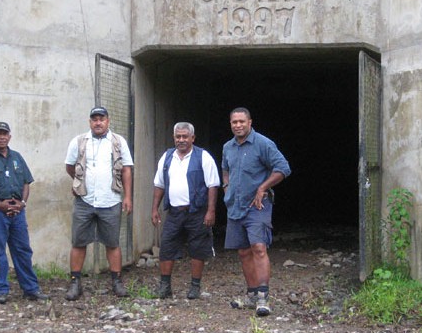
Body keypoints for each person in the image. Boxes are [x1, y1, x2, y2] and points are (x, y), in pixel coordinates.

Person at [222, 108, 291, 317]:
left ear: (250, 122)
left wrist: (262, 187)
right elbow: (225, 169)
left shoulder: (263, 143)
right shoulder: (228, 147)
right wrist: (226, 188)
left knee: (259, 247)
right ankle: (251, 295)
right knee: (243, 251)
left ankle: (263, 297)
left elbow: (283, 168)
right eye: (234, 122)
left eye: (242, 121)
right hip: (235, 205)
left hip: (257, 205)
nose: (238, 125)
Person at [0, 121, 49, 304]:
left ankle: (30, 289)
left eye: (5, 133)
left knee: (23, 250)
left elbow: (26, 182)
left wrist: (22, 203)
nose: (2, 137)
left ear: (10, 136)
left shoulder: (17, 158)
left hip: (17, 212)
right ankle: (1, 290)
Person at [64, 106, 134, 300]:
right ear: (89, 122)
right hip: (84, 200)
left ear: (108, 121)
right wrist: (79, 182)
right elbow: (69, 166)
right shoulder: (78, 141)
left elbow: (127, 169)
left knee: (112, 243)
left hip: (110, 200)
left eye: (101, 119)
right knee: (78, 242)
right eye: (94, 119)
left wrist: (127, 197)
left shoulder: (118, 142)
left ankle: (117, 282)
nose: (98, 122)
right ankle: (75, 283)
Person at [151, 122, 220, 299]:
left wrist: (210, 211)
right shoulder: (167, 157)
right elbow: (159, 184)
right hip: (174, 212)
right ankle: (165, 286)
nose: (181, 140)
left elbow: (213, 185)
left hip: (197, 212)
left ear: (192, 138)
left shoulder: (203, 157)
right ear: (174, 138)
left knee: (197, 249)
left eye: (184, 136)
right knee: (166, 247)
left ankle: (195, 287)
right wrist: (154, 209)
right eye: (178, 137)